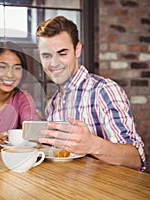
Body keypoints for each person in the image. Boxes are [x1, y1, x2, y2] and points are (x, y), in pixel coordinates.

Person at [35, 16, 146, 171]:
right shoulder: (52, 104)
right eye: (47, 56)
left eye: (62, 53)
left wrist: (92, 144)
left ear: (77, 50)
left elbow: (136, 159)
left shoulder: (103, 90)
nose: (54, 63)